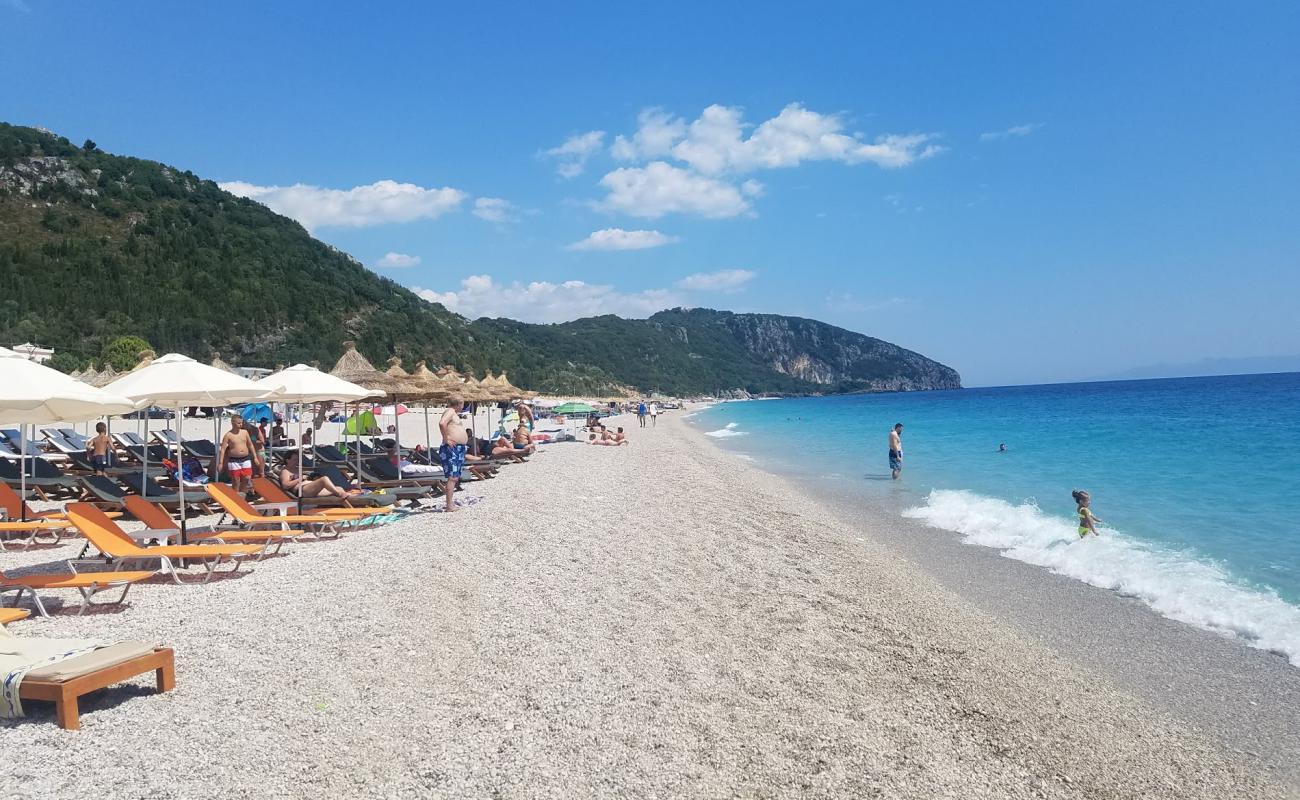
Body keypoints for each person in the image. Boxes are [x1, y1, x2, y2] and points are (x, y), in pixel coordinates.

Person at [279, 451, 355, 500]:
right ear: (287, 460)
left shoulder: (297, 469)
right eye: (294, 459)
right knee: (324, 479)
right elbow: (285, 485)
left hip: (309, 488)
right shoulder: (285, 471)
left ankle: (346, 504)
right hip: (302, 491)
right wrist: (300, 479)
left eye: (297, 459)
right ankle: (340, 495)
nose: (297, 461)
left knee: (339, 488)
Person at [438, 395, 468, 512]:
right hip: (452, 448)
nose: (463, 406)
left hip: (458, 448)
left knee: (455, 477)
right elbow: (442, 423)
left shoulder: (453, 413)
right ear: (458, 403)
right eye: (463, 404)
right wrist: (446, 439)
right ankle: (449, 506)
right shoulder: (450, 411)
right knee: (452, 477)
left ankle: (450, 504)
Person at [219, 415, 263, 494]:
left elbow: (250, 445)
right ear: (233, 423)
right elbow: (223, 449)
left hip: (246, 458)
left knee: (247, 478)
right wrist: (221, 463)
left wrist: (255, 457)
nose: (241, 425)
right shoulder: (228, 435)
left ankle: (242, 494)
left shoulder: (245, 432)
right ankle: (235, 495)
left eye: (241, 423)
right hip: (234, 460)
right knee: (236, 480)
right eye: (239, 423)